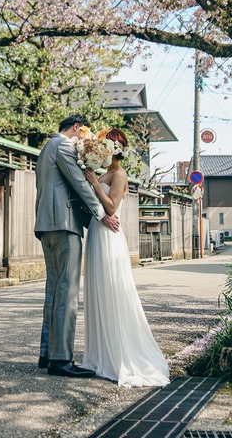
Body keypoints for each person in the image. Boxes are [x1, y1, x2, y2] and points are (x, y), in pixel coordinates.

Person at [79, 128, 171, 387]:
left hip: (109, 236)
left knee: (111, 289)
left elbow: (112, 206)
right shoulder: (104, 172)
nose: (101, 149)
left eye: (105, 145)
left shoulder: (119, 174)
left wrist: (94, 184)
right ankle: (99, 354)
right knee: (98, 290)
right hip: (97, 231)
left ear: (114, 149)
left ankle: (118, 354)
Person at [34, 113, 120, 378]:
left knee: (54, 291)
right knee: (67, 292)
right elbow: (79, 183)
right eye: (84, 133)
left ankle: (48, 354)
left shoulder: (46, 148)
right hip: (63, 224)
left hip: (47, 225)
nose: (86, 140)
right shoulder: (63, 145)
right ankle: (61, 359)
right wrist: (101, 214)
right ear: (76, 128)